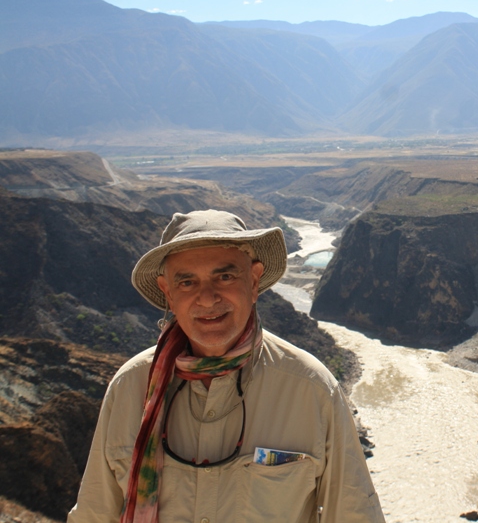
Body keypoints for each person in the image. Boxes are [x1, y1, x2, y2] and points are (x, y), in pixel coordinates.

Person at [68, 210, 384, 523]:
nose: (207, 298)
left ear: (254, 280)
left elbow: (354, 514)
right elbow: (95, 513)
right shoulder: (130, 387)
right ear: (168, 292)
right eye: (187, 282)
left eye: (225, 276)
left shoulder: (312, 390)